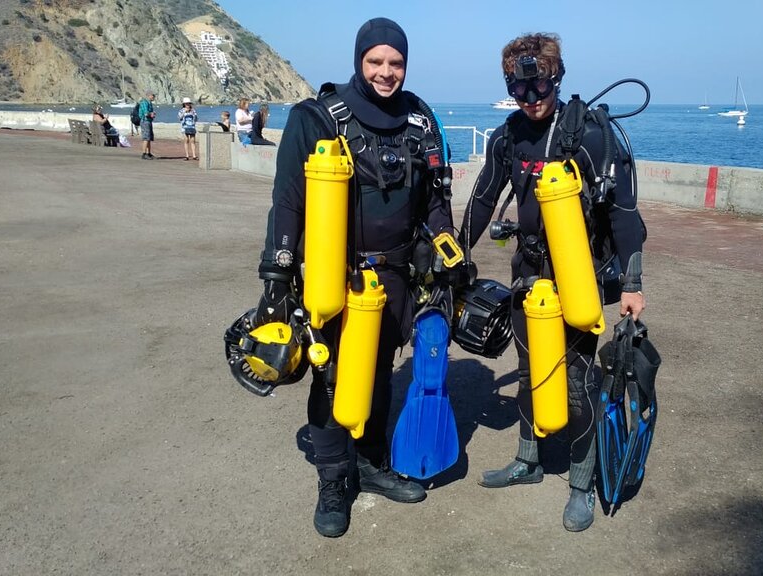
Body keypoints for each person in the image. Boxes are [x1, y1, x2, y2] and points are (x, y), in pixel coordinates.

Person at [255, 17, 455, 538]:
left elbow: (435, 197)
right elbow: (288, 202)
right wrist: (276, 273)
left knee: (382, 369)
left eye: (395, 63)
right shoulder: (318, 117)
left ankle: (369, 462)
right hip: (334, 274)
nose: (386, 73)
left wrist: (447, 249)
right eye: (375, 62)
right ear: (359, 60)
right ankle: (333, 479)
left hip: (396, 275)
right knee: (332, 376)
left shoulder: (420, 119)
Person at [458, 33, 647, 532]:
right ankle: (529, 459)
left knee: (579, 382)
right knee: (528, 371)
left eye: (538, 85)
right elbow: (481, 199)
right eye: (518, 90)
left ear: (556, 77)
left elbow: (625, 213)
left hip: (578, 279)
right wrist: (455, 255)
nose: (530, 98)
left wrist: (632, 281)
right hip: (528, 276)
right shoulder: (506, 136)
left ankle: (581, 483)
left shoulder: (590, 136)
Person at [138, 90, 156, 160]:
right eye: (153, 95)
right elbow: (146, 113)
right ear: (149, 95)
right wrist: (151, 114)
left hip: (148, 121)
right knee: (146, 137)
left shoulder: (149, 103)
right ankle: (144, 153)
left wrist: (152, 114)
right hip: (145, 121)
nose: (154, 97)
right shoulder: (144, 102)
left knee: (149, 138)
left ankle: (149, 153)